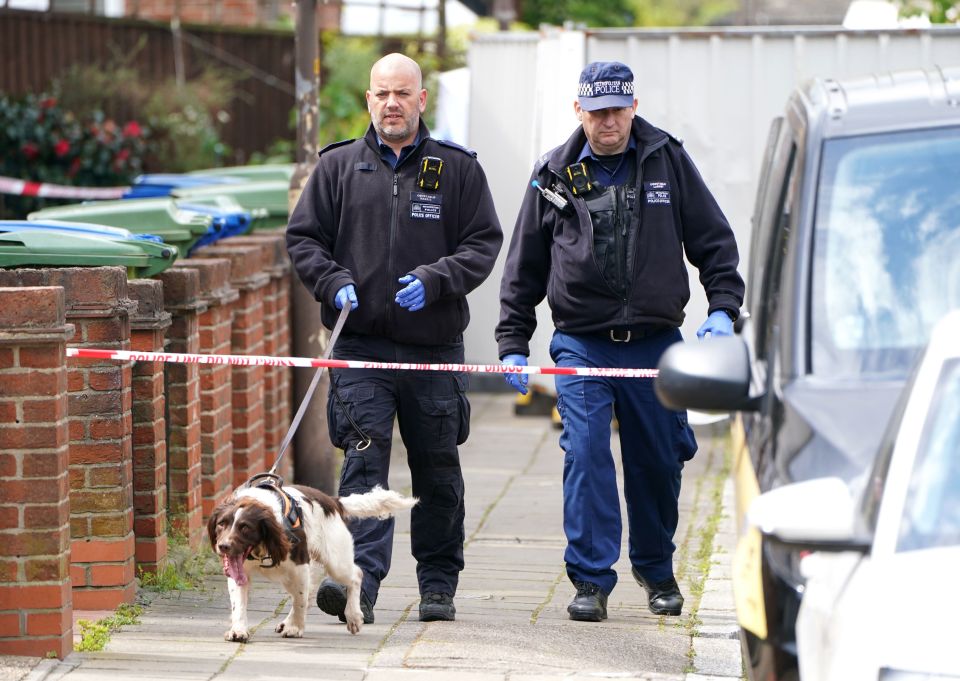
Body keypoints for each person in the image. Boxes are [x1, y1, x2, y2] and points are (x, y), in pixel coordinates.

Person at [496, 61, 744, 622]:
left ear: (633, 106)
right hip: (582, 343)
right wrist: (514, 340)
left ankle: (656, 570)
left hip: (656, 343)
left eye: (618, 109)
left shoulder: (667, 160)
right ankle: (590, 579)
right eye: (597, 111)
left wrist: (724, 308)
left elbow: (714, 241)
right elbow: (523, 268)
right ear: (578, 111)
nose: (609, 121)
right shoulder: (552, 175)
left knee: (658, 459)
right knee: (585, 455)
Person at [286, 53, 503, 624]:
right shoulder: (337, 168)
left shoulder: (457, 169)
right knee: (363, 471)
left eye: (403, 93)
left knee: (437, 469)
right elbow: (304, 240)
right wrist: (334, 284)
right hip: (361, 349)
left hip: (432, 349)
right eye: (382, 93)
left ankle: (437, 585)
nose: (392, 104)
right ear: (368, 99)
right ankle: (362, 584)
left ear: (421, 100)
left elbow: (483, 243)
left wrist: (436, 281)